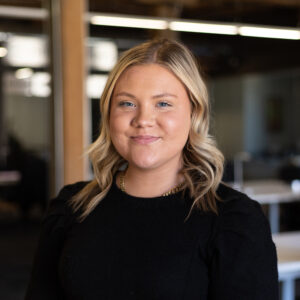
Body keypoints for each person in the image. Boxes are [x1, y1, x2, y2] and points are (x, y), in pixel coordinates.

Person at [25, 39, 278, 300]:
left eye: (163, 104)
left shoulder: (234, 220)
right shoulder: (71, 207)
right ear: (109, 115)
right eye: (127, 103)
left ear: (194, 114)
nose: (143, 120)